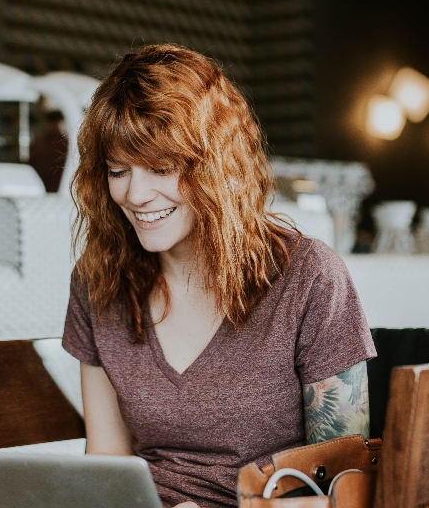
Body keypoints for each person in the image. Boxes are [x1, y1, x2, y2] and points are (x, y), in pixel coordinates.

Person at [61, 44, 376, 508]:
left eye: (162, 168)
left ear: (216, 166)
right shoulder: (98, 282)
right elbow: (107, 463)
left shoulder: (308, 277)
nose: (136, 194)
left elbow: (348, 490)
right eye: (118, 170)